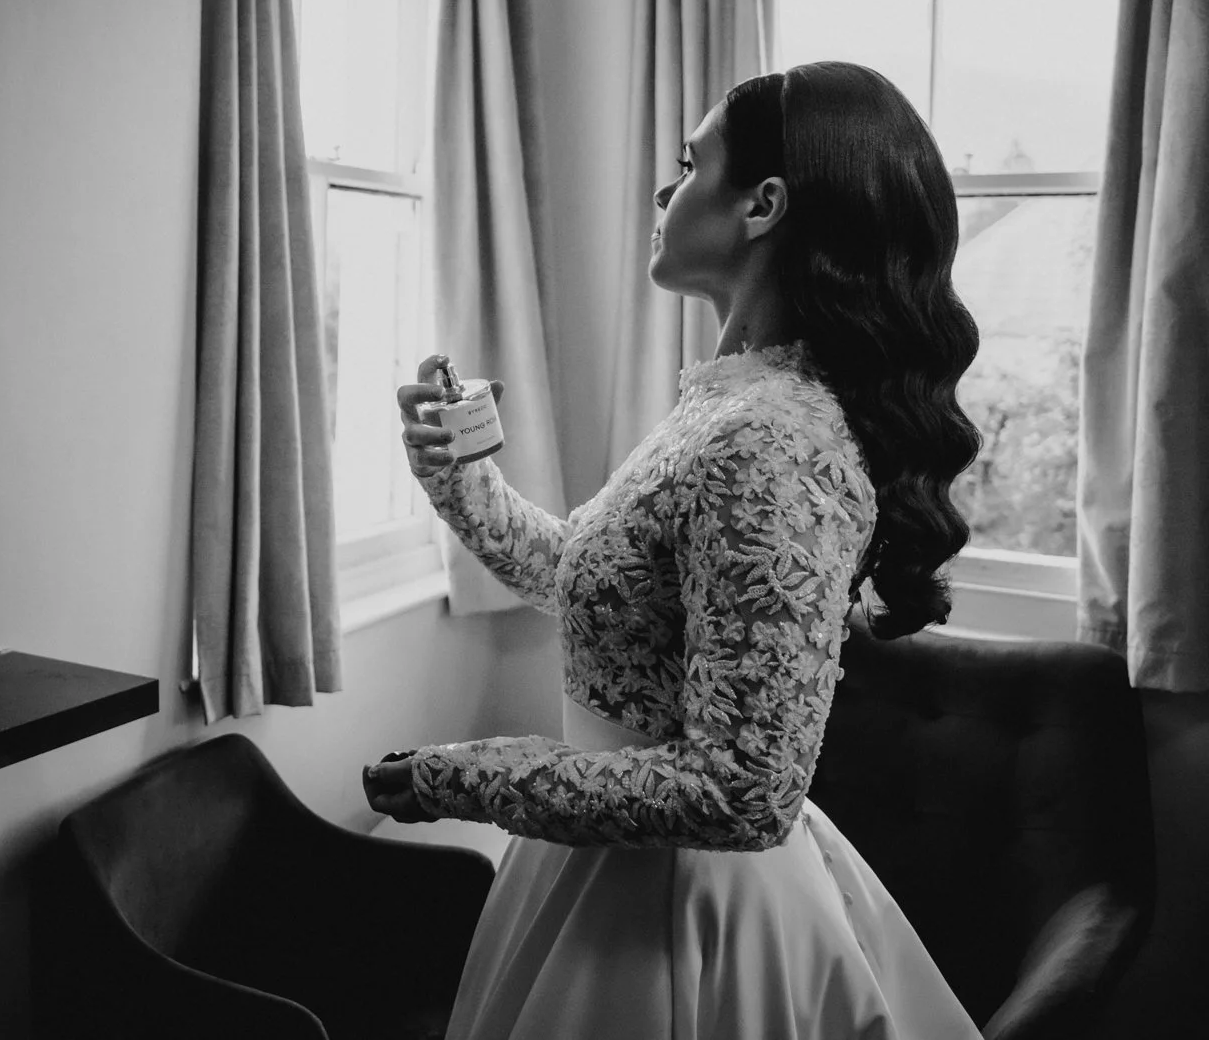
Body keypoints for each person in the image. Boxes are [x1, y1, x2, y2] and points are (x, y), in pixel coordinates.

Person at [365, 62, 986, 1039]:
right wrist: (458, 473)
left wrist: (467, 777)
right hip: (614, 873)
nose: (665, 191)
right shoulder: (729, 400)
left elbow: (741, 792)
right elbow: (583, 578)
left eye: (689, 165)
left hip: (676, 921)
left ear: (760, 206)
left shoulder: (769, 435)